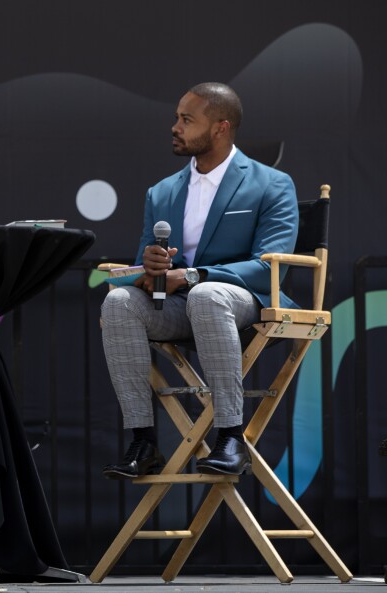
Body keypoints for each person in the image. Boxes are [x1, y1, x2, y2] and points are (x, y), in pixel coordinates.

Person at [100, 82, 298, 480]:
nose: (175, 126)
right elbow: (144, 265)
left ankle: (230, 437)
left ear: (221, 128)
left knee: (206, 294)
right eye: (176, 117)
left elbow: (268, 267)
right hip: (181, 306)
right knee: (117, 303)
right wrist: (149, 267)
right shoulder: (161, 192)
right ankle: (143, 441)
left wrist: (191, 274)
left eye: (187, 120)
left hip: (243, 300)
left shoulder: (272, 184)